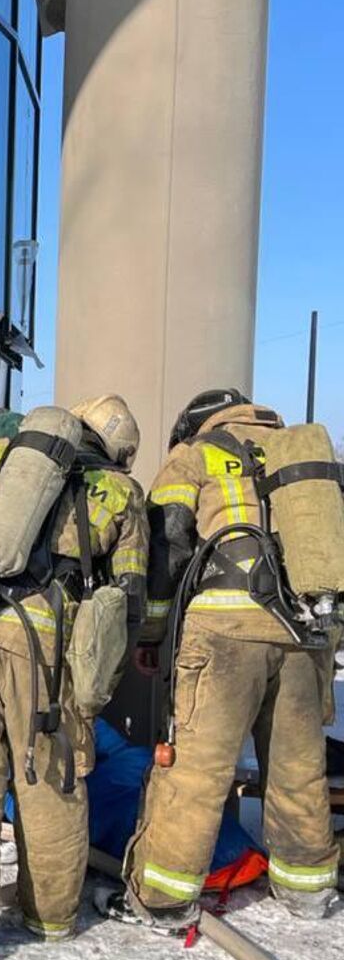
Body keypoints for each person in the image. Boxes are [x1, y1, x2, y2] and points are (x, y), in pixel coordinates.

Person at [0, 395, 149, 960]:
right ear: (115, 452)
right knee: (52, 776)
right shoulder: (120, 493)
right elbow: (131, 600)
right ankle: (50, 916)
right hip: (45, 647)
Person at [107, 390, 339, 931]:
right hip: (305, 632)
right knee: (299, 768)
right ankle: (307, 889)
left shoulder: (197, 454)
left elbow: (167, 546)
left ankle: (162, 899)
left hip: (227, 631)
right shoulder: (303, 459)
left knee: (195, 772)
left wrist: (154, 630)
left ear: (192, 423)